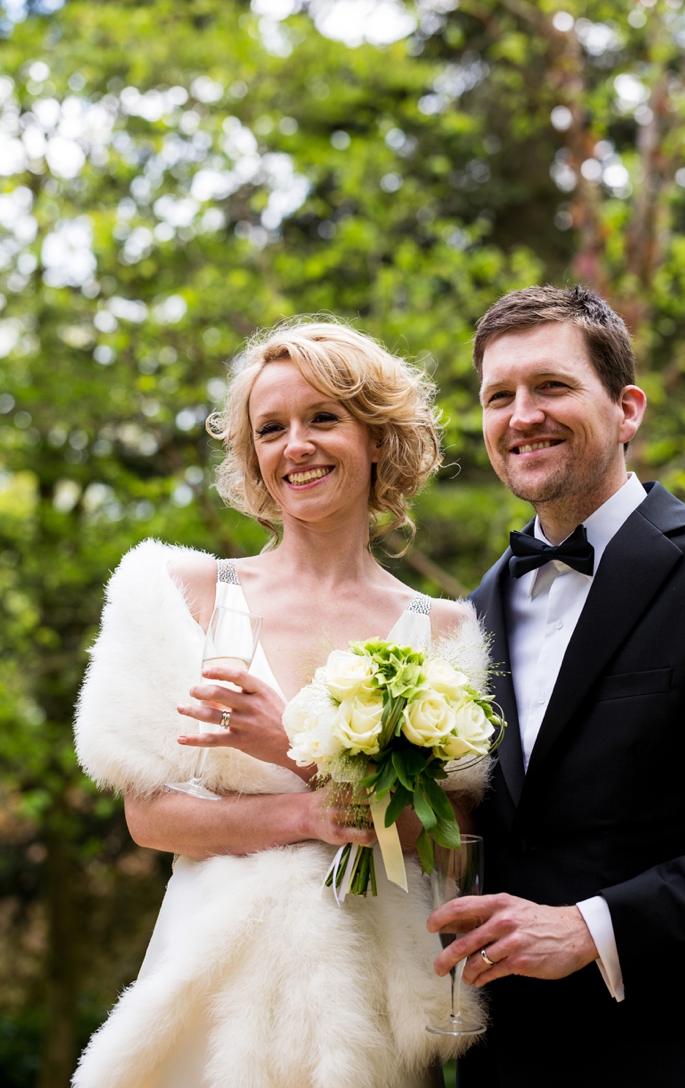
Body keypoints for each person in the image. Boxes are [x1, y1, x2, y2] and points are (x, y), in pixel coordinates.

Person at [72, 320, 489, 1088]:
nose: (295, 445)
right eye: (271, 428)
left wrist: (292, 754)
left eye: (323, 418)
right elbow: (150, 816)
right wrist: (305, 815)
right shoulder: (184, 598)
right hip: (215, 995)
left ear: (376, 438)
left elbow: (452, 838)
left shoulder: (445, 630)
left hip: (371, 1010)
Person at [429, 285, 685, 1088]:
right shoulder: (470, 614)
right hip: (498, 1059)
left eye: (551, 386)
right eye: (498, 397)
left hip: (667, 1056)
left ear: (627, 409)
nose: (521, 416)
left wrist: (592, 929)